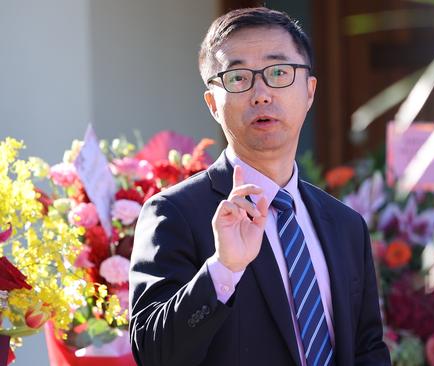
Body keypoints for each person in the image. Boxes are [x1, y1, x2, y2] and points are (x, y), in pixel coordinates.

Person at [129, 7, 390, 366]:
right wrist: (223, 269)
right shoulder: (175, 214)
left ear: (310, 91)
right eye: (237, 78)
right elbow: (154, 354)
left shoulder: (345, 225)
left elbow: (368, 350)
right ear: (212, 105)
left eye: (279, 72)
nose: (261, 94)